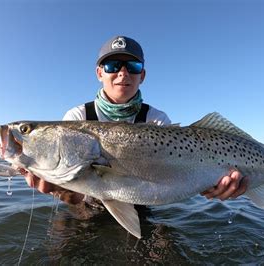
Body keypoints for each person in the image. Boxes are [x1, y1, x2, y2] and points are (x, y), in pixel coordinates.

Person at [23, 35, 248, 212]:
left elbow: (182, 177)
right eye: (112, 66)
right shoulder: (77, 117)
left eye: (132, 66)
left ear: (143, 75)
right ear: (99, 73)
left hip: (143, 209)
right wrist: (63, 191)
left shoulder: (157, 120)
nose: (123, 73)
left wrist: (213, 186)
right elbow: (76, 187)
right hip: (85, 208)